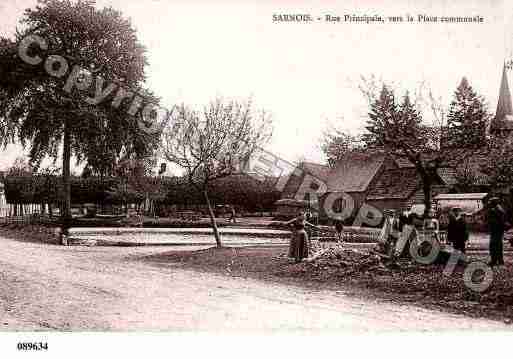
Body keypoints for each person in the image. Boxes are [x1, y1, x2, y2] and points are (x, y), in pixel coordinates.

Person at [487, 197, 507, 266]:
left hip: (495, 230)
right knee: (498, 246)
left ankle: (494, 260)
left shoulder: (494, 210)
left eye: (491, 203)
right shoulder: (500, 209)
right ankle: (500, 260)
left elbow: (493, 221)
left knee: (493, 246)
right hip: (498, 230)